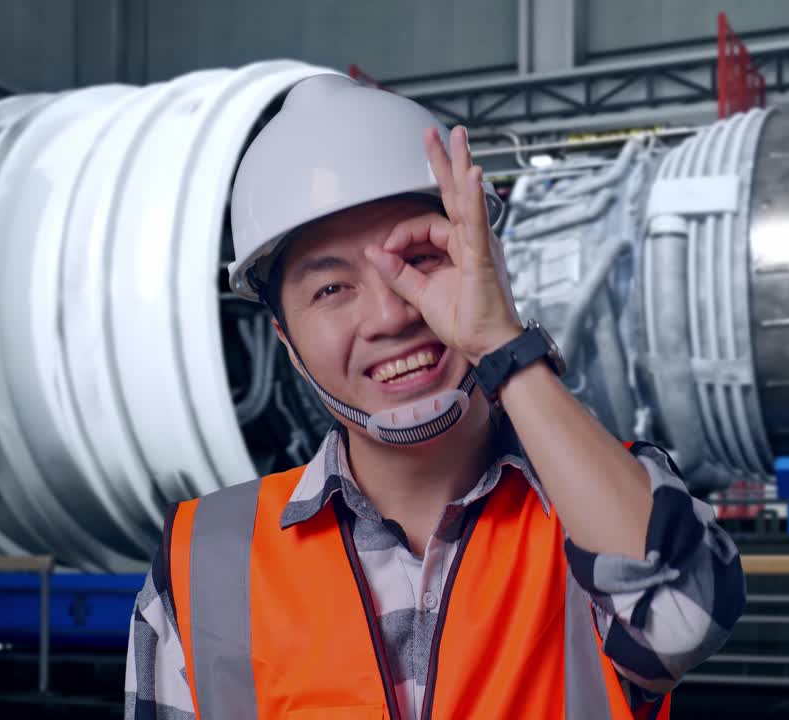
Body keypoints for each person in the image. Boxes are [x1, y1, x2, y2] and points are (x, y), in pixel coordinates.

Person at [124, 73, 745, 720]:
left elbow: (686, 619)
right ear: (284, 337)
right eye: (331, 289)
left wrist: (502, 345)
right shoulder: (205, 561)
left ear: (486, 262)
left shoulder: (598, 501)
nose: (391, 316)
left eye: (419, 258)